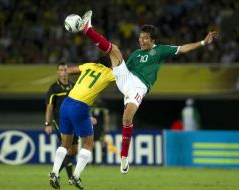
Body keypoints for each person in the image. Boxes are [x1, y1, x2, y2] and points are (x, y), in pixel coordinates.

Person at [74, 10, 219, 174]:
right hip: (127, 79)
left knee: (127, 117)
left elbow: (183, 49)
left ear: (153, 40)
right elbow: (125, 70)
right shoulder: (136, 54)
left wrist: (203, 43)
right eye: (140, 38)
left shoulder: (160, 51)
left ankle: (124, 157)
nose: (141, 41)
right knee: (113, 49)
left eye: (145, 39)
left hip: (139, 86)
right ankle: (88, 29)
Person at [49, 56, 114, 189]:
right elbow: (125, 77)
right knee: (88, 144)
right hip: (80, 106)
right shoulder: (109, 73)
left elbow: (69, 70)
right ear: (108, 65)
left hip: (66, 103)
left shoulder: (89, 66)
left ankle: (54, 172)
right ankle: (76, 176)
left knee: (65, 143)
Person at [44, 61, 79, 185]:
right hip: (59, 121)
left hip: (73, 121)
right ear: (58, 72)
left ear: (68, 71)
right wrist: (47, 123)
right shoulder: (54, 88)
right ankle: (70, 177)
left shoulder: (75, 86)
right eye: (61, 70)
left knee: (73, 150)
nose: (63, 72)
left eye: (65, 70)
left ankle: (55, 172)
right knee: (66, 146)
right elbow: (49, 106)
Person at [90, 99, 110, 164]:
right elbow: (89, 114)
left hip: (101, 127)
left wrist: (106, 126)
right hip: (93, 127)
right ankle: (93, 161)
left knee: (102, 143)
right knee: (92, 144)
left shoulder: (103, 104)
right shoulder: (91, 103)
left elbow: (106, 115)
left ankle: (103, 161)